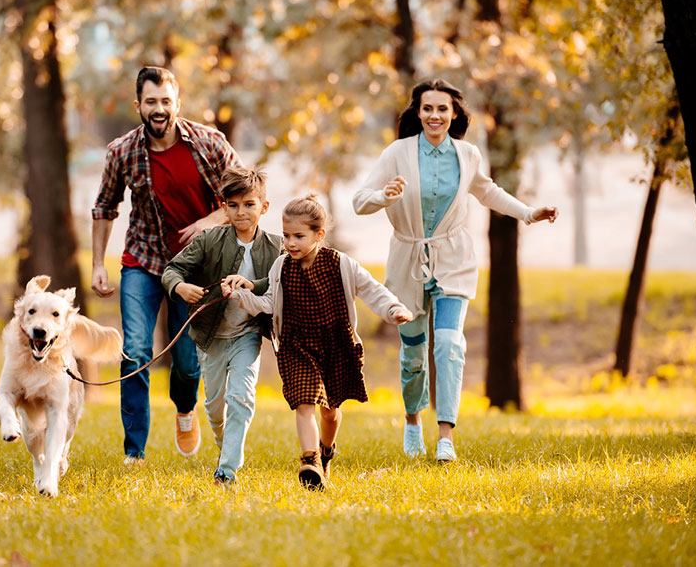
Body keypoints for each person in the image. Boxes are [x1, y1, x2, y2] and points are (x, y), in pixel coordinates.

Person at [352, 78, 559, 462]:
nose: (434, 115)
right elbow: (359, 201)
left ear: (454, 114)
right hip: (408, 261)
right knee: (414, 354)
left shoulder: (467, 155)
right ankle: (413, 420)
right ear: (417, 112)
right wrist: (385, 196)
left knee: (448, 345)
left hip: (453, 260)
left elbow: (488, 192)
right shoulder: (397, 153)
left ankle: (445, 435)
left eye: (442, 109)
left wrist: (529, 213)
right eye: (427, 108)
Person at [91, 66, 242, 465]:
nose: (159, 109)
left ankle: (184, 408)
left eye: (165, 102)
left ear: (178, 104)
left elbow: (248, 193)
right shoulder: (121, 151)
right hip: (143, 261)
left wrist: (209, 221)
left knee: (188, 363)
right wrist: (97, 264)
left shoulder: (211, 144)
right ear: (138, 105)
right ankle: (134, 452)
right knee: (136, 350)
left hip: (195, 269)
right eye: (151, 102)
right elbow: (105, 207)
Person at [226, 195, 413, 490]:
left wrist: (393, 309)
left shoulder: (341, 264)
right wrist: (240, 296)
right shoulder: (281, 267)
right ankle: (310, 461)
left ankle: (326, 452)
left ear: (319, 235)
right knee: (304, 402)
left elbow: (372, 289)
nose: (290, 243)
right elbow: (268, 303)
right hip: (296, 344)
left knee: (330, 411)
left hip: (335, 344)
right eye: (287, 236)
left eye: (299, 236)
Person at [161, 166, 282, 485]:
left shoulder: (276, 247)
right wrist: (180, 287)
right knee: (215, 408)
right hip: (210, 337)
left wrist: (250, 285)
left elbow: (278, 284)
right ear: (224, 206)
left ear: (264, 207)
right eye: (233, 205)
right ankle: (224, 446)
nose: (241, 212)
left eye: (249, 204)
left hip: (248, 336)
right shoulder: (210, 239)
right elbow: (172, 269)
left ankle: (227, 469)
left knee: (241, 396)